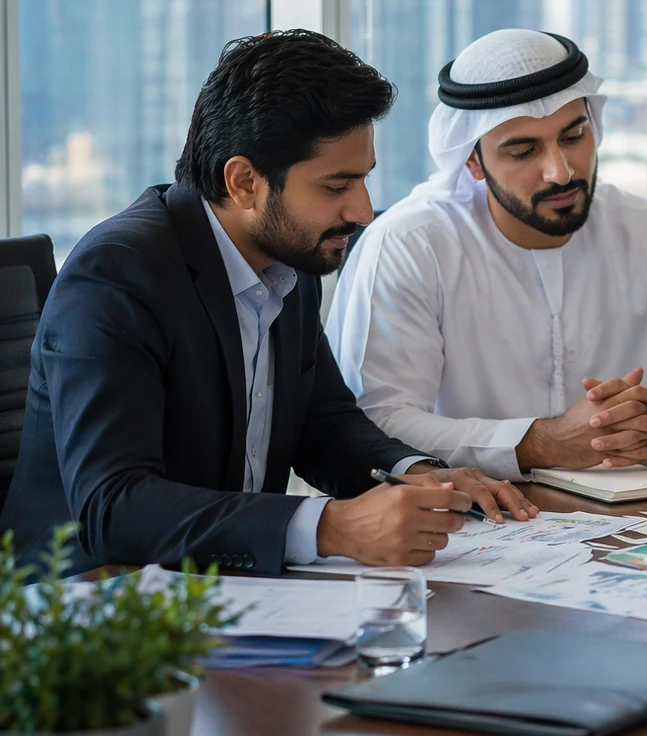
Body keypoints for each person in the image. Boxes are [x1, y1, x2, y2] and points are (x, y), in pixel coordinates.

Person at [0, 30, 536, 577]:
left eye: (364, 181)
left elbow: (323, 424)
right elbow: (113, 505)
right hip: (82, 603)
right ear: (245, 183)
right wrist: (330, 527)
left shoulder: (287, 256)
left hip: (219, 587)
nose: (363, 211)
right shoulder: (118, 274)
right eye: (336, 187)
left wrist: (417, 472)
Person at [326, 28, 647, 479]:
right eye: (524, 151)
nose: (561, 172)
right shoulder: (412, 244)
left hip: (634, 518)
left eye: (573, 137)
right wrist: (543, 441)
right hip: (471, 524)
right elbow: (378, 421)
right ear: (472, 162)